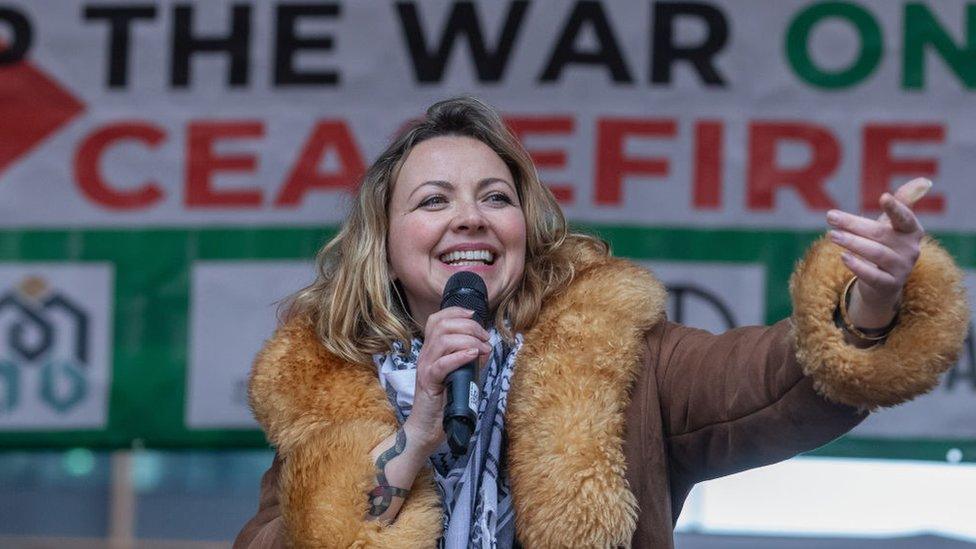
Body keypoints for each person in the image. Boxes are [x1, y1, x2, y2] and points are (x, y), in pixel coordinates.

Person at [234, 97, 969, 549]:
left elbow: (773, 381)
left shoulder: (612, 353)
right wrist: (412, 440)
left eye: (495, 196)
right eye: (433, 201)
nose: (470, 217)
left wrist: (872, 300)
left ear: (524, 225)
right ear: (386, 247)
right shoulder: (327, 395)